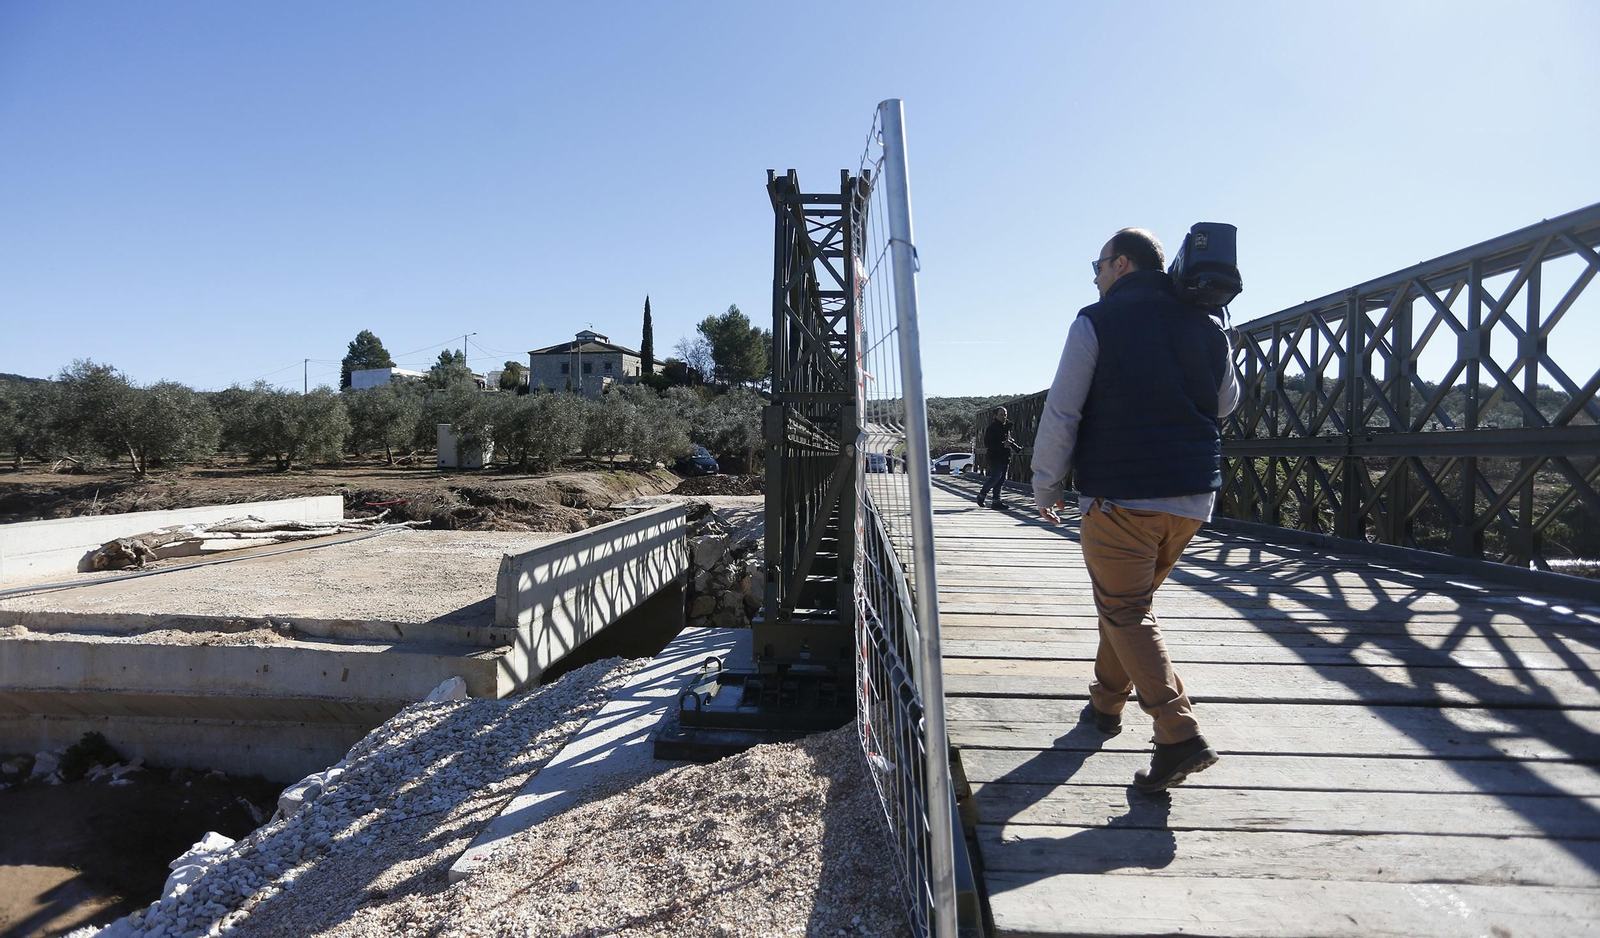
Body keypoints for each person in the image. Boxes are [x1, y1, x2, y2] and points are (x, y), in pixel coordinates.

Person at [1032, 227, 1240, 792]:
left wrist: (1045, 486)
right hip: (1193, 499)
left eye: (1097, 265)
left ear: (1121, 264)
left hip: (1121, 495)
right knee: (1127, 605)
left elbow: (1062, 412)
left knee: (1125, 611)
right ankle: (1104, 706)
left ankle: (1179, 735)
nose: (1095, 276)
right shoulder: (1207, 324)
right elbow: (1225, 402)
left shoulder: (1096, 321)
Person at [975, 407, 1020, 509]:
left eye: (1005, 415)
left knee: (1001, 480)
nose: (1003, 417)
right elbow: (988, 443)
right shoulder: (992, 428)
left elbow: (1006, 440)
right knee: (995, 478)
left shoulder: (1006, 427)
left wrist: (1010, 444)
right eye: (1001, 414)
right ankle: (982, 495)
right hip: (995, 456)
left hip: (1005, 456)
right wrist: (1002, 444)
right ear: (995, 416)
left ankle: (996, 501)